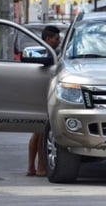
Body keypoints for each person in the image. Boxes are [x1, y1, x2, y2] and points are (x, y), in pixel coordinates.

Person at [27, 25, 60, 177]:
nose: (58, 41)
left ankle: (31, 168)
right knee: (42, 133)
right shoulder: (47, 53)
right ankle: (40, 167)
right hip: (44, 95)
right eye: (56, 39)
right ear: (48, 39)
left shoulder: (45, 51)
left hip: (39, 94)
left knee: (37, 133)